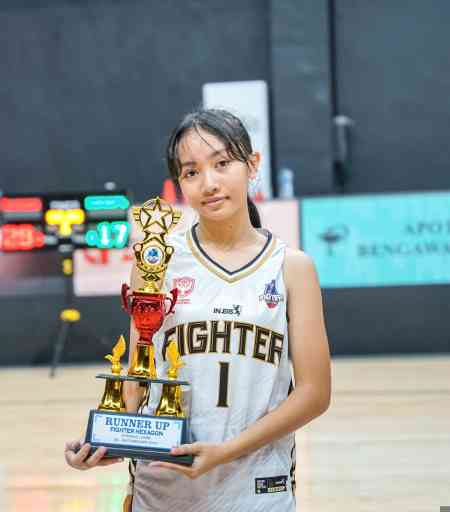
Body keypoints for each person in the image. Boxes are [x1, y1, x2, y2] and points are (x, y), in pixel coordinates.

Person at [65, 108, 331, 511]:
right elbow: (140, 371)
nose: (209, 183)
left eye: (222, 164)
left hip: (257, 490)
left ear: (252, 165)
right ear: (179, 183)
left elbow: (315, 394)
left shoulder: (291, 267)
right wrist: (105, 440)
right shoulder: (157, 262)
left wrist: (225, 452)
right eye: (191, 172)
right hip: (163, 490)